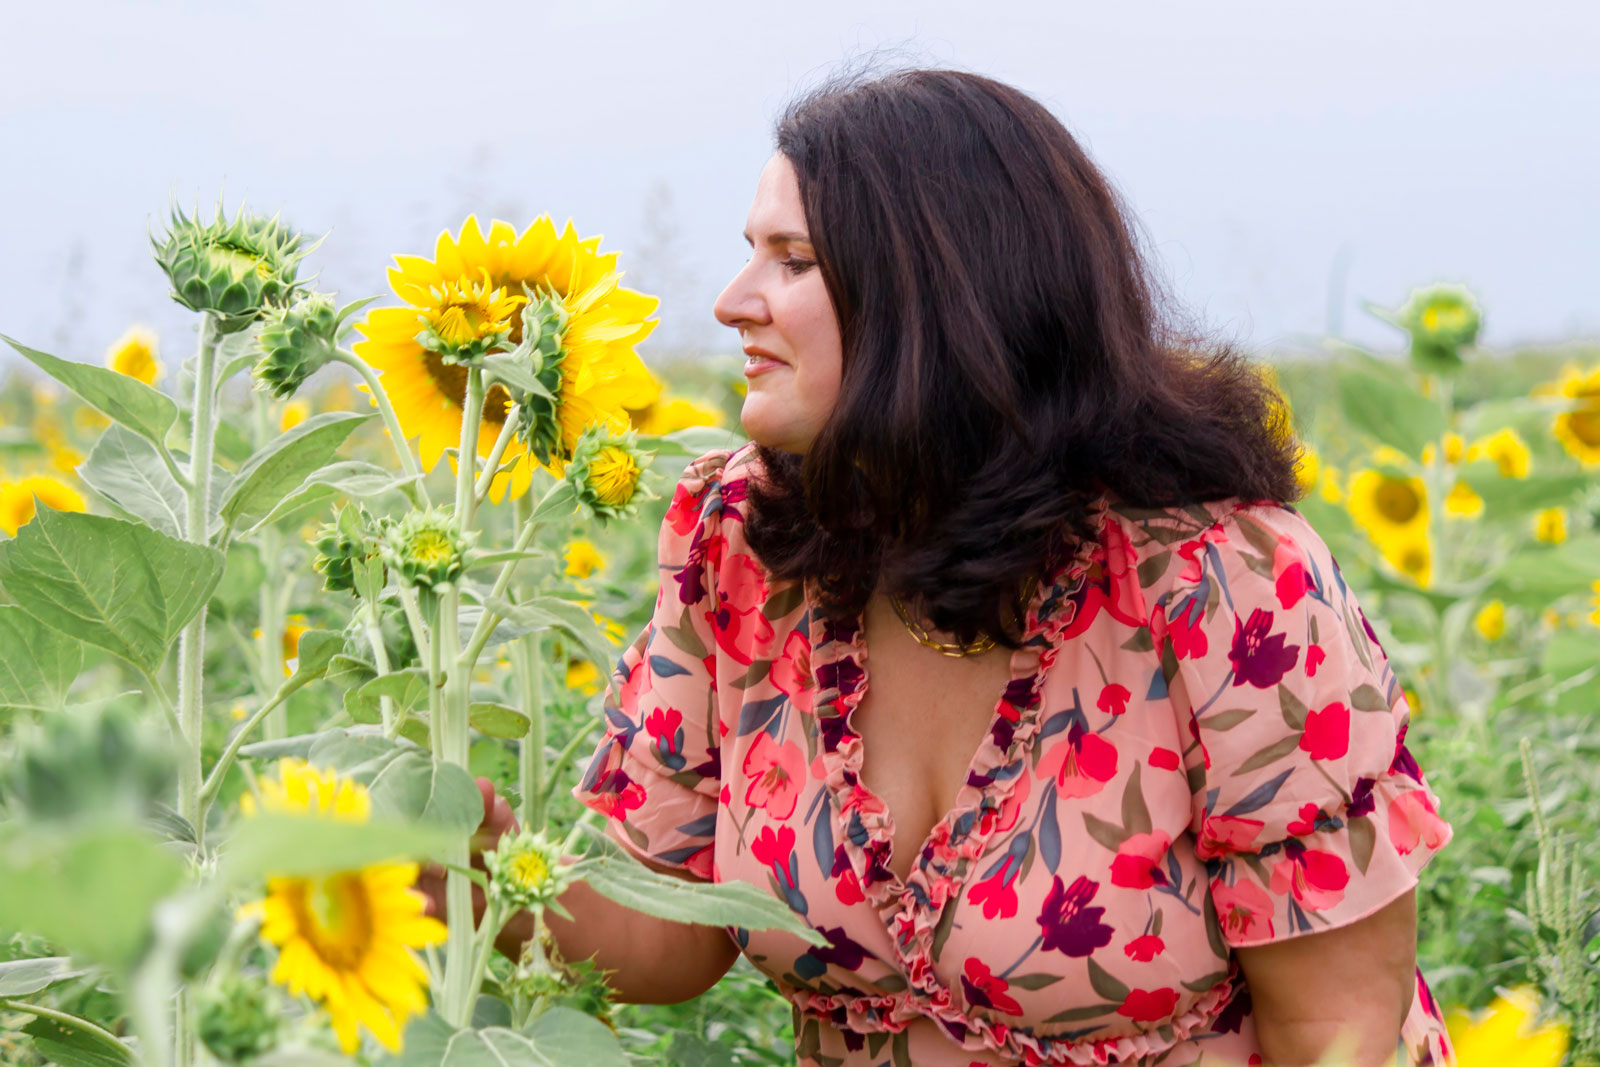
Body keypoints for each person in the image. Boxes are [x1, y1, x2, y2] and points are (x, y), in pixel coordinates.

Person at [447, 69, 1456, 1066]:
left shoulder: (1219, 581)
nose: (730, 302)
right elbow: (667, 926)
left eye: (791, 260)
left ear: (938, 293)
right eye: (750, 255)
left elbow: (1339, 1027)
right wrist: (474, 858)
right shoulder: (744, 543)